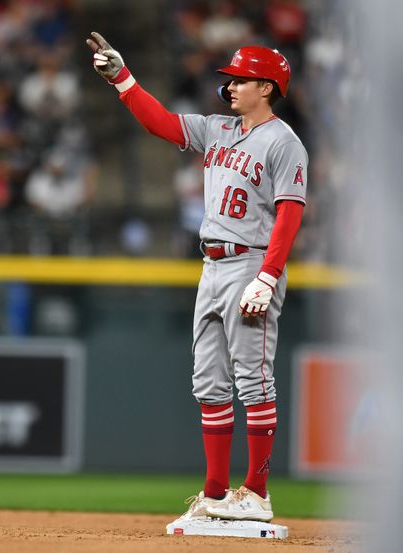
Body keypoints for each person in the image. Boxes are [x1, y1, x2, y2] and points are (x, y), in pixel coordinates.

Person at [87, 32, 307, 522]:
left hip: (251, 261)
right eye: (228, 79)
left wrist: (268, 276)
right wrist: (122, 80)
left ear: (267, 87)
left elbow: (290, 213)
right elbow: (160, 123)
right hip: (210, 264)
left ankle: (256, 493)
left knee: (253, 379)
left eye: (239, 79)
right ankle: (213, 493)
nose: (229, 86)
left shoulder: (284, 142)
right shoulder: (218, 130)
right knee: (208, 382)